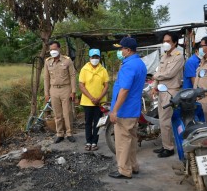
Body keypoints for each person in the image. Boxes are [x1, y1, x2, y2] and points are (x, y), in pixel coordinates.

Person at [108, 37, 147, 179]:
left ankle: (124, 170)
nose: (120, 51)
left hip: (124, 111)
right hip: (134, 109)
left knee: (122, 142)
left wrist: (115, 110)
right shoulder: (140, 63)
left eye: (121, 48)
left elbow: (124, 90)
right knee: (131, 140)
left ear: (128, 50)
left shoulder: (129, 66)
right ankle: (133, 166)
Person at [152, 32, 185, 158]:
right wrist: (155, 86)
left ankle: (169, 148)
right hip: (161, 91)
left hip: (171, 91)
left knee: (165, 120)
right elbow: (159, 71)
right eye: (164, 41)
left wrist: (155, 76)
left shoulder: (178, 56)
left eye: (168, 41)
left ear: (175, 43)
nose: (165, 43)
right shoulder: (164, 56)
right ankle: (165, 145)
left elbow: (169, 73)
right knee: (162, 120)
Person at [44, 40, 76, 143]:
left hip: (66, 89)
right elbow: (46, 78)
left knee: (67, 113)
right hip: (53, 90)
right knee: (57, 114)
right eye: (51, 49)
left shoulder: (67, 60)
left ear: (59, 49)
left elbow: (72, 76)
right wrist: (46, 93)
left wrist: (73, 91)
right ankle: (60, 134)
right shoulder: (48, 61)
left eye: (54, 49)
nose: (53, 51)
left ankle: (69, 133)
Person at [79, 49, 109, 151]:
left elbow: (106, 86)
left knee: (98, 123)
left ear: (99, 58)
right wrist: (91, 98)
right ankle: (88, 141)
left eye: (97, 57)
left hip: (100, 102)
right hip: (87, 101)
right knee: (88, 122)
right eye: (93, 57)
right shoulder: (84, 69)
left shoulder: (103, 70)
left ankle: (94, 142)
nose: (95, 59)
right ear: (90, 58)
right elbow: (81, 86)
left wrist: (99, 98)